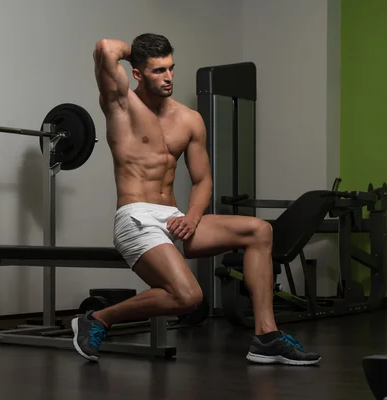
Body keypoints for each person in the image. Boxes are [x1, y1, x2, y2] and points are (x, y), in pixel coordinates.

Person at [70, 33, 321, 366]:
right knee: (189, 296)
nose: (169, 77)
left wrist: (192, 217)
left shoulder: (189, 120)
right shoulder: (120, 104)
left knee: (260, 231)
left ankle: (266, 336)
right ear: (137, 73)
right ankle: (97, 319)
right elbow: (105, 48)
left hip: (174, 217)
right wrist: (139, 52)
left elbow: (203, 181)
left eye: (172, 68)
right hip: (135, 218)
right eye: (158, 70)